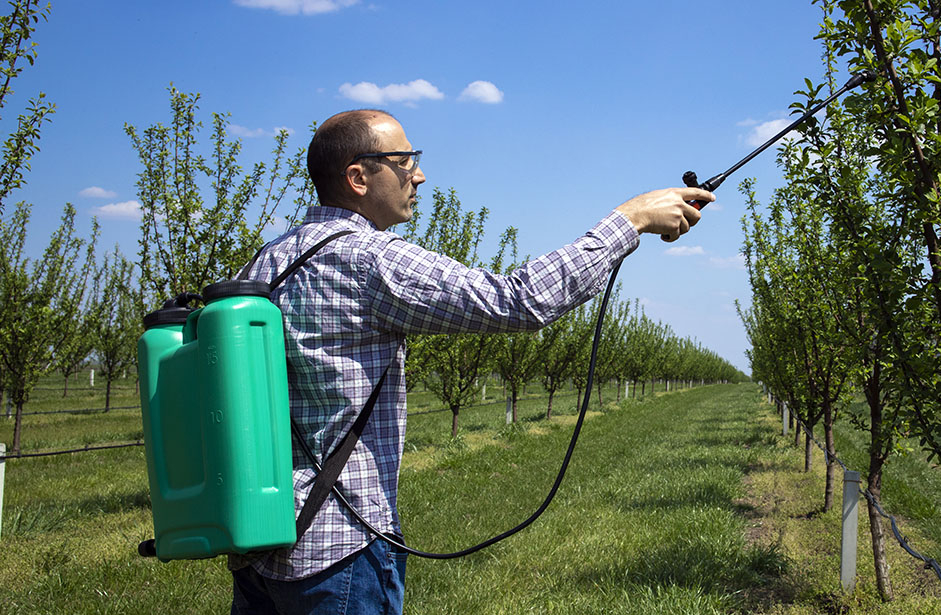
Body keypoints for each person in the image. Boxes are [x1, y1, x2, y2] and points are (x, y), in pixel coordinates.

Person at [228, 109, 711, 614]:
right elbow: (516, 301)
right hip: (339, 550)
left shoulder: (268, 261)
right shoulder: (368, 258)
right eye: (404, 160)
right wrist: (627, 220)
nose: (418, 174)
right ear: (357, 177)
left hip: (265, 538)